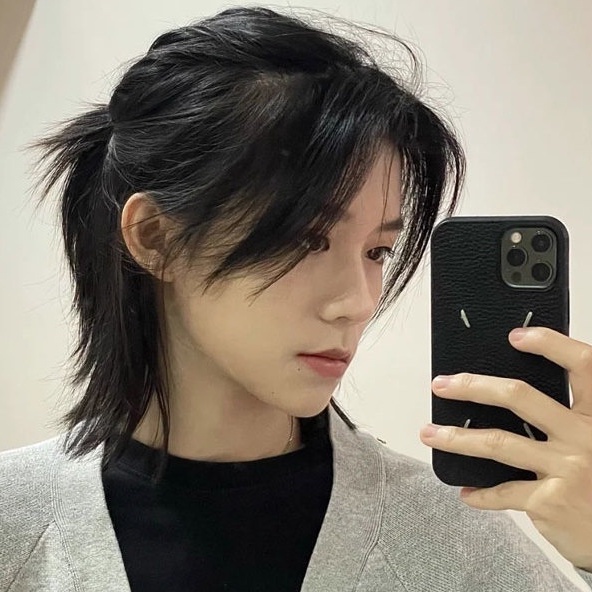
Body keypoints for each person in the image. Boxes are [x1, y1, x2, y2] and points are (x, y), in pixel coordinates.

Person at [1, 6, 592, 591]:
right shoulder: (15, 524)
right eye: (307, 239)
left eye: (378, 251)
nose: (357, 303)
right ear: (156, 237)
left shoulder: (450, 544)